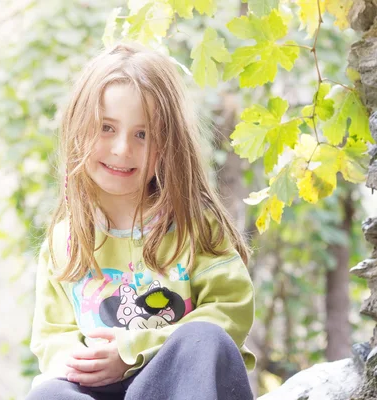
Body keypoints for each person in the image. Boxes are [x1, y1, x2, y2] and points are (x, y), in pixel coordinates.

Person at [25, 41, 255, 400]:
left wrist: (132, 351)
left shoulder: (196, 228)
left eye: (142, 134)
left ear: (169, 144)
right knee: (49, 394)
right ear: (78, 129)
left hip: (178, 387)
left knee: (205, 340)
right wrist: (79, 360)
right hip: (102, 391)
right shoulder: (64, 242)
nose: (122, 148)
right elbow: (52, 336)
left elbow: (231, 311)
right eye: (106, 128)